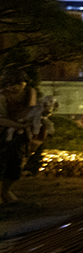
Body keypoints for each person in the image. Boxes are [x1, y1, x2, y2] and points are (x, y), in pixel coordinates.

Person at [0, 68, 35, 203]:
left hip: (20, 134)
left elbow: (32, 110)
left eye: (19, 83)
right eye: (10, 84)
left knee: (16, 163)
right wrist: (20, 125)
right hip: (3, 133)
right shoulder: (3, 96)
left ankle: (5, 191)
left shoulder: (30, 92)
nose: (15, 88)